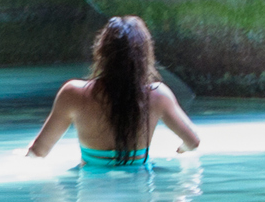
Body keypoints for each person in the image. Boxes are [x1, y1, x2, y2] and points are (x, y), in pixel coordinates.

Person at [27, 14, 202, 166]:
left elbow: (38, 152)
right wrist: (180, 152)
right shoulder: (158, 96)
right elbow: (193, 142)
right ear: (144, 56)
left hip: (92, 188)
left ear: (101, 52)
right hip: (139, 191)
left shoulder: (73, 94)